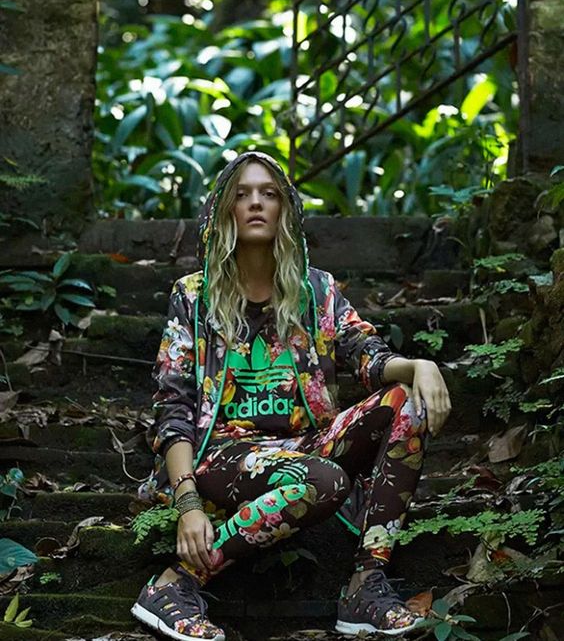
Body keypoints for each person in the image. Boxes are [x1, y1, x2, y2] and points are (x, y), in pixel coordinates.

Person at [132, 151, 451, 641]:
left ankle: (366, 585)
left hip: (306, 445)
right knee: (323, 480)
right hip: (222, 453)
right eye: (242, 194)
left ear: (285, 208)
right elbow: (173, 408)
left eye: (269, 193)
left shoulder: (317, 290)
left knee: (404, 400)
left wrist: (419, 366)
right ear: (224, 211)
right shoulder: (193, 297)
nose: (256, 203)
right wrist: (188, 503)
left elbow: (364, 352)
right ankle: (176, 582)